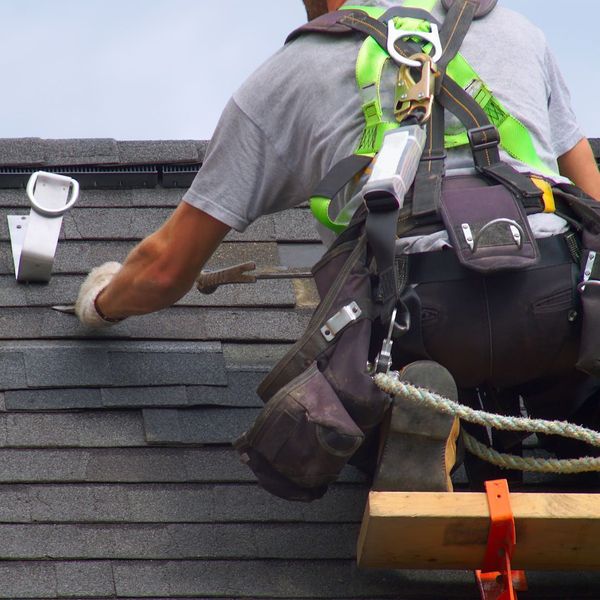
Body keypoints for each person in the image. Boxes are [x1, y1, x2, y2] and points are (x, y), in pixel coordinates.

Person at [75, 0, 600, 489]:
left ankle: (403, 425)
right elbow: (593, 204)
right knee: (577, 377)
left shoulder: (290, 74)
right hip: (554, 305)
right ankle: (580, 421)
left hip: (416, 320)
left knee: (353, 393)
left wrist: (101, 303)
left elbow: (165, 269)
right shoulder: (515, 31)